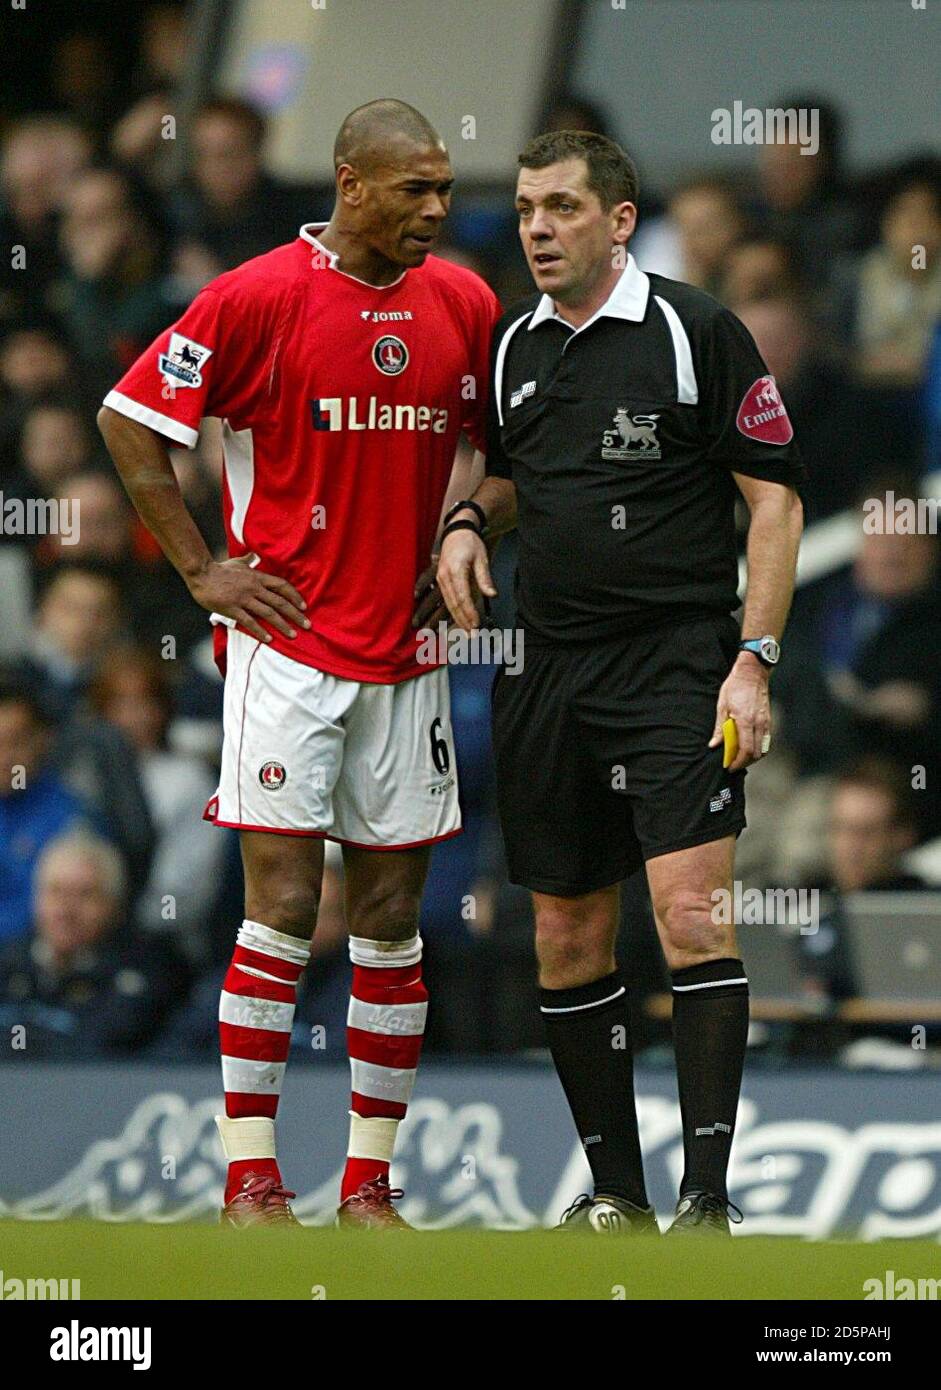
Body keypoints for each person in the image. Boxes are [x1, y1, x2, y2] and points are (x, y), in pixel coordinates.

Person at [98, 99, 500, 1228]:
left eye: (442, 186)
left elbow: (508, 464)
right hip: (285, 649)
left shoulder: (464, 301)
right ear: (348, 182)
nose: (436, 207)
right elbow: (130, 420)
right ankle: (251, 1183)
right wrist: (200, 570)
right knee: (277, 908)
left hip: (409, 654)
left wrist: (467, 526)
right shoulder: (257, 295)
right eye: (414, 187)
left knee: (389, 921)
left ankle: (370, 1186)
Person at [437, 130, 805, 1236]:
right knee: (564, 938)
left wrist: (754, 658)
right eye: (523, 209)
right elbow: (507, 477)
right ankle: (615, 1194)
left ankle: (706, 1198)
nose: (537, 229)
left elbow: (774, 503)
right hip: (547, 667)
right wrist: (464, 518)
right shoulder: (510, 349)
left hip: (677, 663)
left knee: (689, 912)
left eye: (558, 208)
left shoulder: (697, 332)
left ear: (618, 221)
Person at [0, 830, 184, 1058]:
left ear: (115, 906)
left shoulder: (145, 971)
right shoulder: (7, 964)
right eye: (56, 892)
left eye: (85, 895)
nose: (66, 910)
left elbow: (105, 1044)